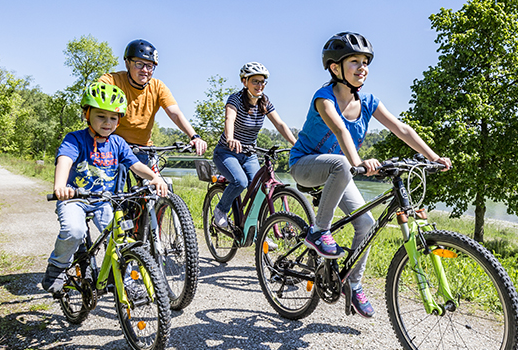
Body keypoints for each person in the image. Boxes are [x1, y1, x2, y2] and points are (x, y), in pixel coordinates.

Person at [288, 32, 451, 318]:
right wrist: (359, 162)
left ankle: (354, 284)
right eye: (354, 61)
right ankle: (318, 232)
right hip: (306, 165)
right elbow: (339, 129)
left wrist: (432, 156)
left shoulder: (369, 101)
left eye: (365, 61)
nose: (362, 67)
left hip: (340, 169)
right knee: (340, 163)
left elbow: (401, 129)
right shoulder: (323, 98)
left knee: (366, 222)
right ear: (335, 68)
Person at [42, 82, 168, 293]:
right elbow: (64, 159)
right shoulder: (75, 139)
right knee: (74, 230)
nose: (107, 123)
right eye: (101, 116)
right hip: (75, 198)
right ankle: (57, 266)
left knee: (120, 239)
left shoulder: (118, 143)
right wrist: (60, 186)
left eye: (113, 118)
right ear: (86, 114)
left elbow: (136, 165)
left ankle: (123, 280)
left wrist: (155, 177)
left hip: (104, 202)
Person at [211, 62, 298, 228]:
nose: (260, 85)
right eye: (255, 81)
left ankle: (258, 231)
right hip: (226, 152)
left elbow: (280, 124)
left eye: (263, 81)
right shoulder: (235, 99)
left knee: (260, 190)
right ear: (245, 82)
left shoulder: (264, 103)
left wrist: (296, 144)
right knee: (240, 181)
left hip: (249, 154)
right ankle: (221, 209)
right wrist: (230, 138)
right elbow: (230, 119)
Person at [98, 39, 209, 168]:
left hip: (144, 148)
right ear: (127, 63)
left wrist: (194, 136)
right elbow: (97, 102)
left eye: (149, 66)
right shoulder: (112, 81)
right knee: (112, 181)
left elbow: (175, 113)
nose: (145, 70)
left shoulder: (157, 87)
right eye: (139, 64)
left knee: (157, 185)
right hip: (114, 144)